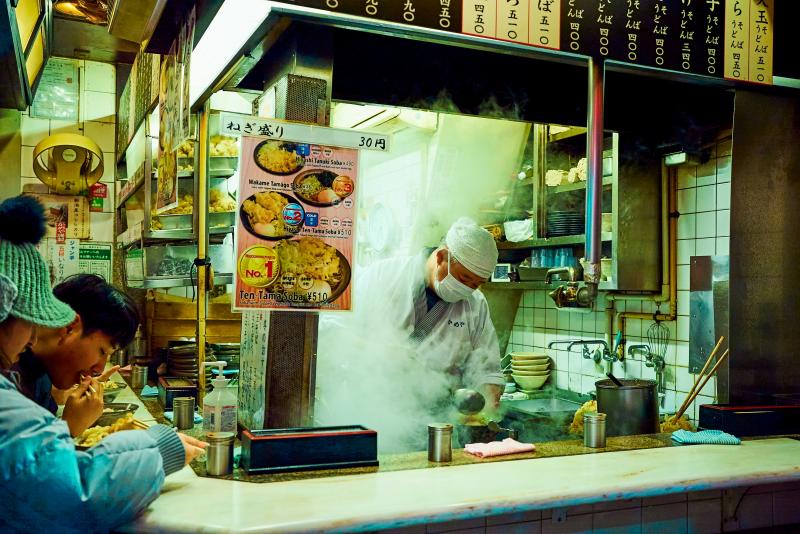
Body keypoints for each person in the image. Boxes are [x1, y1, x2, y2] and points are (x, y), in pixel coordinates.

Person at [0, 195, 207, 532]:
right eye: (103, 350)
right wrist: (157, 447)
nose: (31, 337)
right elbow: (71, 497)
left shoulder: (26, 377)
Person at [317, 217, 504, 446]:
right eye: (465, 278)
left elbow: (486, 366)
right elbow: (330, 332)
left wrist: (487, 399)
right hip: (372, 414)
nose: (469, 288)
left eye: (477, 283)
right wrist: (376, 351)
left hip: (439, 424)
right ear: (441, 256)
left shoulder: (475, 303)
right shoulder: (382, 277)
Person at [13, 274, 140, 436]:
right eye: (102, 351)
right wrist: (68, 429)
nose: (99, 369)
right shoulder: (9, 375)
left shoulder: (41, 374)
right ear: (70, 326)